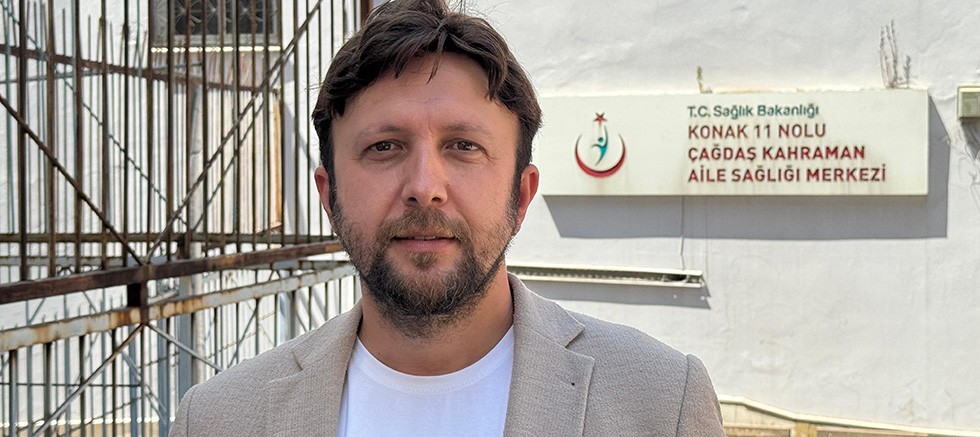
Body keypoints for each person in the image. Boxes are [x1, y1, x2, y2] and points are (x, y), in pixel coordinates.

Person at [171, 0, 725, 435]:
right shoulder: (218, 420)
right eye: (384, 147)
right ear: (329, 196)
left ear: (521, 196)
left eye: (463, 146)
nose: (425, 188)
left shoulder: (661, 404)